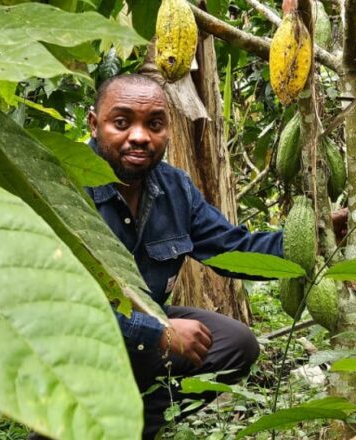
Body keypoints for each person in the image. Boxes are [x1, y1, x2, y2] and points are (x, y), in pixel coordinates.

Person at [85, 73, 283, 439]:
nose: (140, 136)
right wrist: (157, 331)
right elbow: (63, 306)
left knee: (234, 344)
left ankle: (139, 424)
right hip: (75, 341)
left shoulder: (174, 187)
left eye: (154, 124)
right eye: (122, 122)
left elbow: (236, 250)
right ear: (95, 125)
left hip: (141, 333)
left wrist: (312, 239)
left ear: (168, 129)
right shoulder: (65, 184)